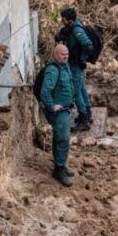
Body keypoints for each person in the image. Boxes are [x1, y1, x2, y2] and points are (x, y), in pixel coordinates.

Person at [39, 44, 76, 187]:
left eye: (67, 54)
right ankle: (59, 170)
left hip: (65, 110)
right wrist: (51, 106)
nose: (65, 56)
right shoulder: (53, 70)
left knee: (59, 138)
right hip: (58, 113)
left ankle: (60, 165)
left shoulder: (64, 66)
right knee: (63, 139)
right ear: (55, 54)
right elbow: (45, 92)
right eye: (62, 54)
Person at [55, 7, 94, 132]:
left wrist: (82, 59)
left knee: (76, 92)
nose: (62, 21)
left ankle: (84, 120)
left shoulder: (77, 30)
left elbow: (88, 45)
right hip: (75, 64)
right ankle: (88, 114)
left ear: (68, 20)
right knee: (82, 89)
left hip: (76, 64)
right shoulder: (74, 26)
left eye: (63, 19)